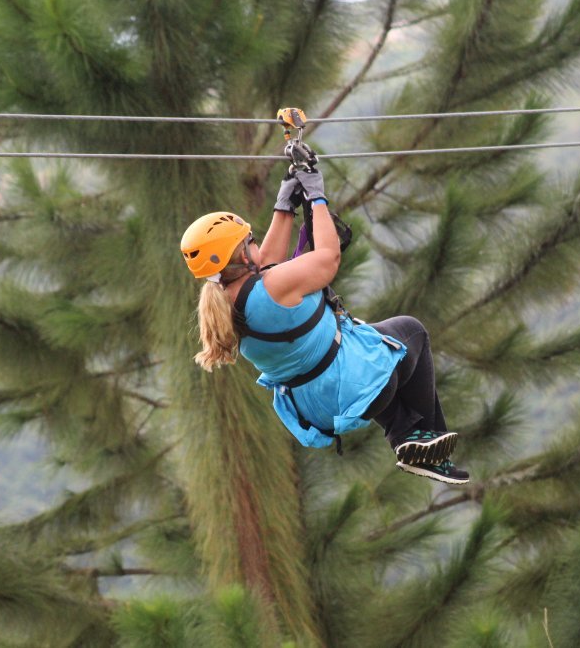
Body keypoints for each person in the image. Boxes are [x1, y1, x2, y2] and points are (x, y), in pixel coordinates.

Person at [179, 165, 469, 484]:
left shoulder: (227, 302)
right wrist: (316, 196)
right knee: (410, 331)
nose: (256, 244)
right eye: (250, 241)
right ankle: (430, 445)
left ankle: (405, 436)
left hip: (318, 408)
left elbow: (269, 264)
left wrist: (284, 205)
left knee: (369, 349)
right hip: (351, 385)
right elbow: (328, 257)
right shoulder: (272, 288)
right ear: (240, 255)